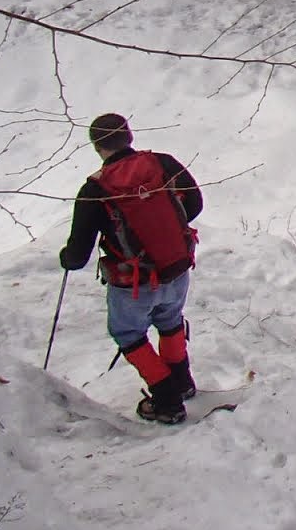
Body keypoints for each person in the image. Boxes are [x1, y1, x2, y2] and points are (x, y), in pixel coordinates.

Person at [59, 113, 203, 424]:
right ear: (129, 136)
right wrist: (164, 236)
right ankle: (182, 382)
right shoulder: (164, 164)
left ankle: (167, 400)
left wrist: (66, 258)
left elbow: (79, 254)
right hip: (176, 266)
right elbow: (195, 204)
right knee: (170, 321)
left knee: (128, 333)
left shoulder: (95, 189)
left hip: (133, 281)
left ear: (97, 147)